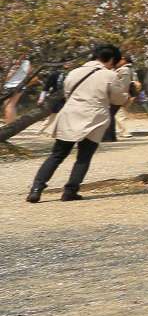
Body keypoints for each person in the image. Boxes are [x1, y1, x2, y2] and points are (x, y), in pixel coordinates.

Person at [26, 44, 135, 203]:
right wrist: (129, 93)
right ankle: (70, 191)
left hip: (70, 114)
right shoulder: (109, 76)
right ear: (111, 59)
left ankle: (36, 189)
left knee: (57, 155)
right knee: (83, 157)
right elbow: (117, 99)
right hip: (94, 117)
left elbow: (67, 93)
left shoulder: (74, 72)